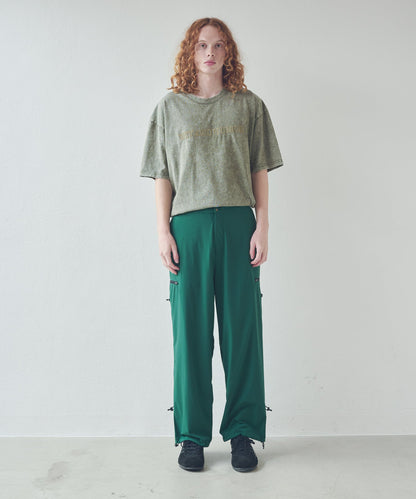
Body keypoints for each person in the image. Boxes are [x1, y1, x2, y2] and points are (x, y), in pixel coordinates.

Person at [139, 17, 284, 472]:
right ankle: (191, 436)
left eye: (219, 45)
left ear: (228, 53)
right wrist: (162, 231)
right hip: (188, 227)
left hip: (239, 224)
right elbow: (162, 175)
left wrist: (263, 225)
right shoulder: (170, 108)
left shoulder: (249, 105)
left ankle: (242, 432)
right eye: (202, 45)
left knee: (242, 333)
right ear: (190, 51)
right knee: (190, 336)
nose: (210, 52)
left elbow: (259, 168)